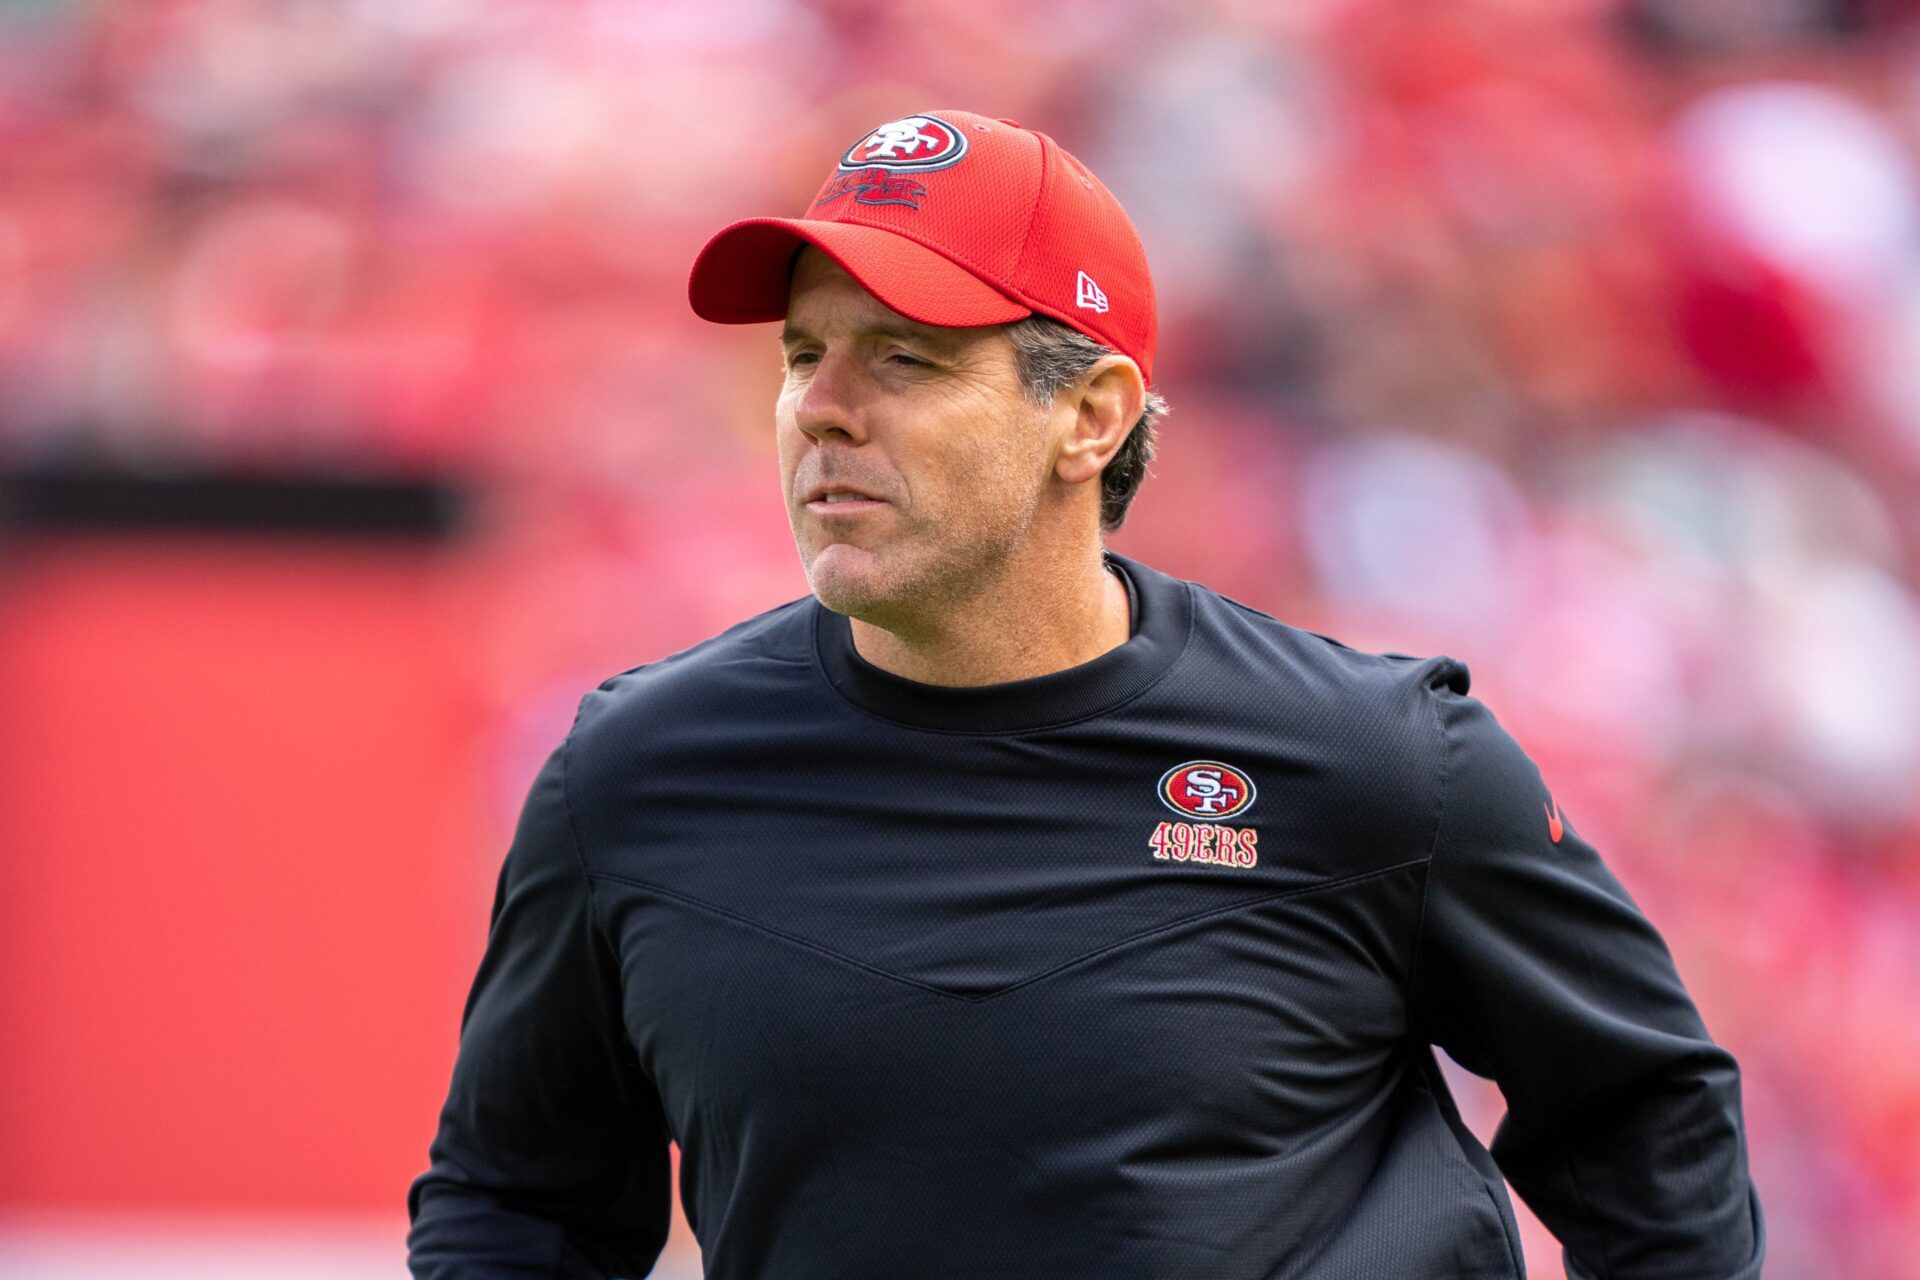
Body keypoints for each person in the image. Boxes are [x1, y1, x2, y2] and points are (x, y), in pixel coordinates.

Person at [407, 109, 1765, 1279]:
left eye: (904, 356)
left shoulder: (1377, 761)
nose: (821, 406)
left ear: (1092, 414)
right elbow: (517, 1206)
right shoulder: (634, 778)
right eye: (800, 354)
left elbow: (1645, 1113)